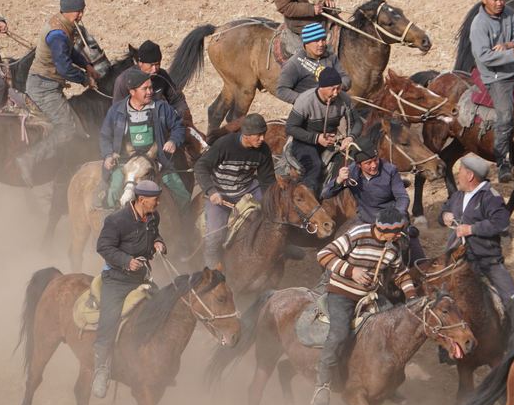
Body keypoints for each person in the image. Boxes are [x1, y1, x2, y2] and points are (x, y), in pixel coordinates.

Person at [312, 207, 418, 405]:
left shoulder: (393, 247)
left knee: (393, 332)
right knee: (339, 333)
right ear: (384, 230)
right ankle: (323, 383)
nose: (399, 236)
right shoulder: (357, 234)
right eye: (397, 232)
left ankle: (388, 382)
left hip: (370, 297)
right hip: (342, 293)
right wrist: (353, 271)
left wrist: (412, 297)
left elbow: (401, 274)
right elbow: (324, 255)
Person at [93, 179, 167, 398]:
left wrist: (159, 243)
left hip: (141, 277)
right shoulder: (116, 220)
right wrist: (126, 261)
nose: (159, 203)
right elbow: (103, 247)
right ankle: (101, 370)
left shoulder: (153, 217)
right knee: (109, 320)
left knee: (161, 311)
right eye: (156, 199)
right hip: (117, 279)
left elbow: (155, 234)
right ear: (142, 199)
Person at [16, 0, 97, 185]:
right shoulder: (58, 34)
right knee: (67, 128)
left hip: (45, 84)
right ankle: (28, 159)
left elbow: (69, 52)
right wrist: (85, 79)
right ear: (69, 10)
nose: (81, 15)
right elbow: (64, 66)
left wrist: (86, 63)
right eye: (79, 11)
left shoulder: (62, 25)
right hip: (43, 89)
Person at [440, 154, 514, 333]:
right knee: (443, 302)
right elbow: (445, 209)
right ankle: (446, 348)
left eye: (460, 171)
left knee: (513, 302)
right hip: (458, 263)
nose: (458, 174)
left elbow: (501, 223)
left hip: (487, 261)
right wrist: (444, 216)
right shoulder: (457, 195)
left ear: (470, 176)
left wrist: (471, 229)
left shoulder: (490, 197)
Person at [193, 113, 276, 268]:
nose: (262, 139)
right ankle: (210, 264)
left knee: (273, 214)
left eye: (263, 134)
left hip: (247, 189)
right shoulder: (224, 144)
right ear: (246, 135)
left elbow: (268, 180)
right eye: (258, 135)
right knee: (216, 233)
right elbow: (200, 166)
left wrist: (270, 202)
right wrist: (211, 191)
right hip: (221, 192)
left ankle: (284, 245)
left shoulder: (263, 150)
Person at [97, 68, 188, 208]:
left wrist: (173, 140)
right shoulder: (116, 111)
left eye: (151, 87)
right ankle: (113, 224)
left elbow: (179, 126)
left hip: (156, 162)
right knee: (113, 192)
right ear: (132, 92)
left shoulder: (161, 108)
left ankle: (183, 227)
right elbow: (105, 135)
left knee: (182, 195)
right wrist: (108, 155)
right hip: (125, 163)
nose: (150, 92)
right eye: (145, 89)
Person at [468, 0, 514, 182]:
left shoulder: (509, 12)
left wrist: (509, 44)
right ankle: (503, 161)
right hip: (496, 78)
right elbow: (483, 56)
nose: (500, 3)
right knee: (505, 115)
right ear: (484, 0)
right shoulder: (479, 24)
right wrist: (513, 54)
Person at [322, 143, 423, 262]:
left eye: (375, 160)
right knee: (341, 240)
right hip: (365, 218)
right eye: (368, 163)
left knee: (408, 240)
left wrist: (397, 214)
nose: (374, 165)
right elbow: (326, 194)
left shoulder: (390, 170)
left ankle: (416, 265)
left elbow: (402, 197)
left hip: (391, 217)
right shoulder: (350, 172)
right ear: (359, 165)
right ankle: (328, 277)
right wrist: (339, 180)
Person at [284, 67, 363, 195]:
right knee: (314, 167)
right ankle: (310, 204)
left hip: (332, 142)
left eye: (338, 88)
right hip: (305, 142)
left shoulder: (344, 99)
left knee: (358, 158)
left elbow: (357, 122)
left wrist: (350, 138)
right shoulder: (305, 101)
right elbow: (291, 127)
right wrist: (317, 138)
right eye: (333, 89)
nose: (336, 93)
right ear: (322, 87)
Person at [112, 40, 190, 123]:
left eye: (157, 64)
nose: (155, 69)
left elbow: (176, 99)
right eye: (151, 65)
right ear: (140, 63)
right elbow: (118, 112)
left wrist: (184, 116)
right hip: (135, 127)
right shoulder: (123, 81)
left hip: (160, 123)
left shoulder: (162, 75)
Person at [276, 21, 349, 103]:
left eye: (323, 40)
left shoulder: (331, 57)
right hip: (309, 113)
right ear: (307, 43)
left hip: (332, 106)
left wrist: (336, 88)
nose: (321, 44)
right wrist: (305, 100)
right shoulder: (295, 63)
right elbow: (281, 90)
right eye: (316, 41)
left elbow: (345, 78)